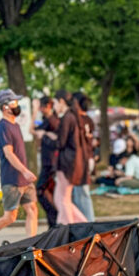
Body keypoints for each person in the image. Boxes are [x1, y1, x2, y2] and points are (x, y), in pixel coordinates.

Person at [0, 89, 38, 238]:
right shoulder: (3, 126)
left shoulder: (14, 125)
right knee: (10, 217)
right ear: (5, 107)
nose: (17, 105)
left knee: (32, 209)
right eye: (14, 102)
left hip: (24, 178)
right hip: (12, 178)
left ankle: (32, 244)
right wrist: (25, 171)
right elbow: (8, 153)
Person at [54, 90, 90, 224]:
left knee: (62, 200)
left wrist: (47, 137)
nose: (54, 106)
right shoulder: (75, 117)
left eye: (55, 103)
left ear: (62, 102)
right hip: (73, 164)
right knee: (62, 199)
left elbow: (61, 142)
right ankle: (84, 226)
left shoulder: (67, 117)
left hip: (67, 164)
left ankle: (68, 229)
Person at [33, 95, 60, 227]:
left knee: (41, 191)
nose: (40, 110)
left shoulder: (52, 120)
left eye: (41, 107)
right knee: (47, 192)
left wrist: (33, 111)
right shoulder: (47, 120)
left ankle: (55, 222)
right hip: (48, 162)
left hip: (50, 163)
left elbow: (31, 130)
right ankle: (53, 223)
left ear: (48, 106)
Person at [72, 91, 97, 221]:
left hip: (83, 159)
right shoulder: (89, 120)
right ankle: (82, 221)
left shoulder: (78, 119)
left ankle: (89, 222)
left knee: (81, 192)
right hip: (89, 157)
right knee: (78, 192)